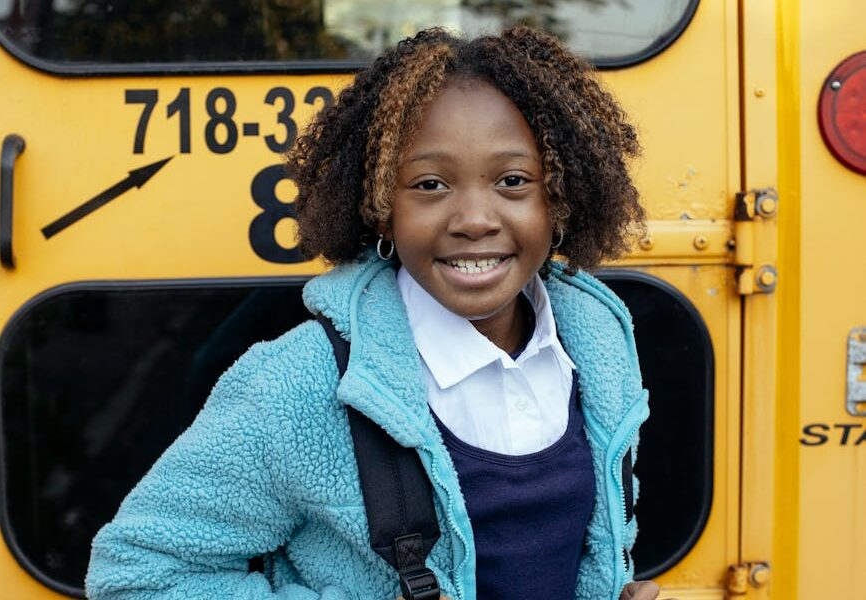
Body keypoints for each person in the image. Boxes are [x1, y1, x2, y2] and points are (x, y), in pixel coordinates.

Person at [87, 26, 665, 600]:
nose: (473, 219)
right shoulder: (301, 384)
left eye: (513, 181)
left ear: (559, 199)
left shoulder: (598, 348)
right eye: (430, 184)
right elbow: (135, 575)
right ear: (382, 209)